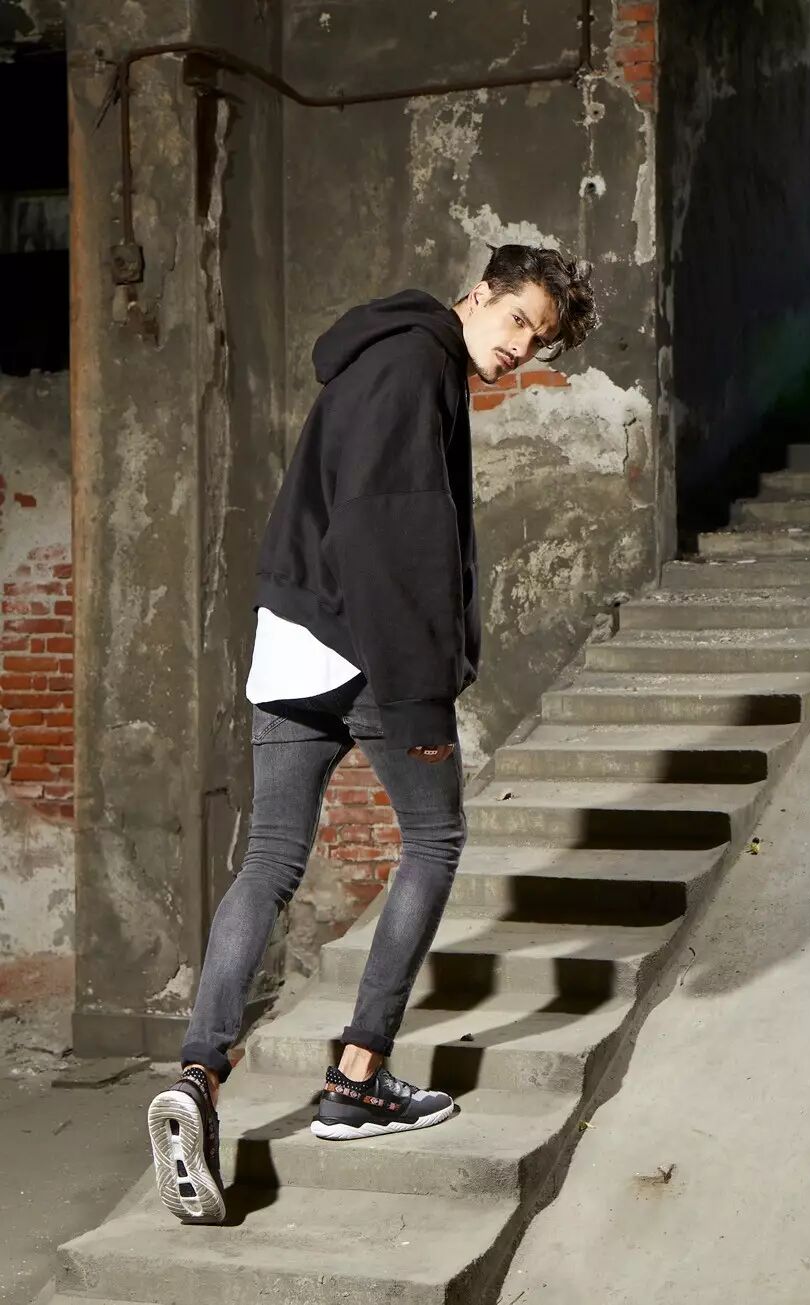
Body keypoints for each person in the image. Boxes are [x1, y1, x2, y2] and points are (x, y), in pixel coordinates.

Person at [147, 243, 598, 1224]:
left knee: (270, 859)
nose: (520, 348)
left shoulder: (380, 353)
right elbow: (391, 539)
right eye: (517, 322)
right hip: (361, 647)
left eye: (539, 341)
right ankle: (357, 1078)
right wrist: (420, 702)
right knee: (434, 840)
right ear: (477, 295)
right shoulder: (417, 367)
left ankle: (196, 1076)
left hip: (289, 635)